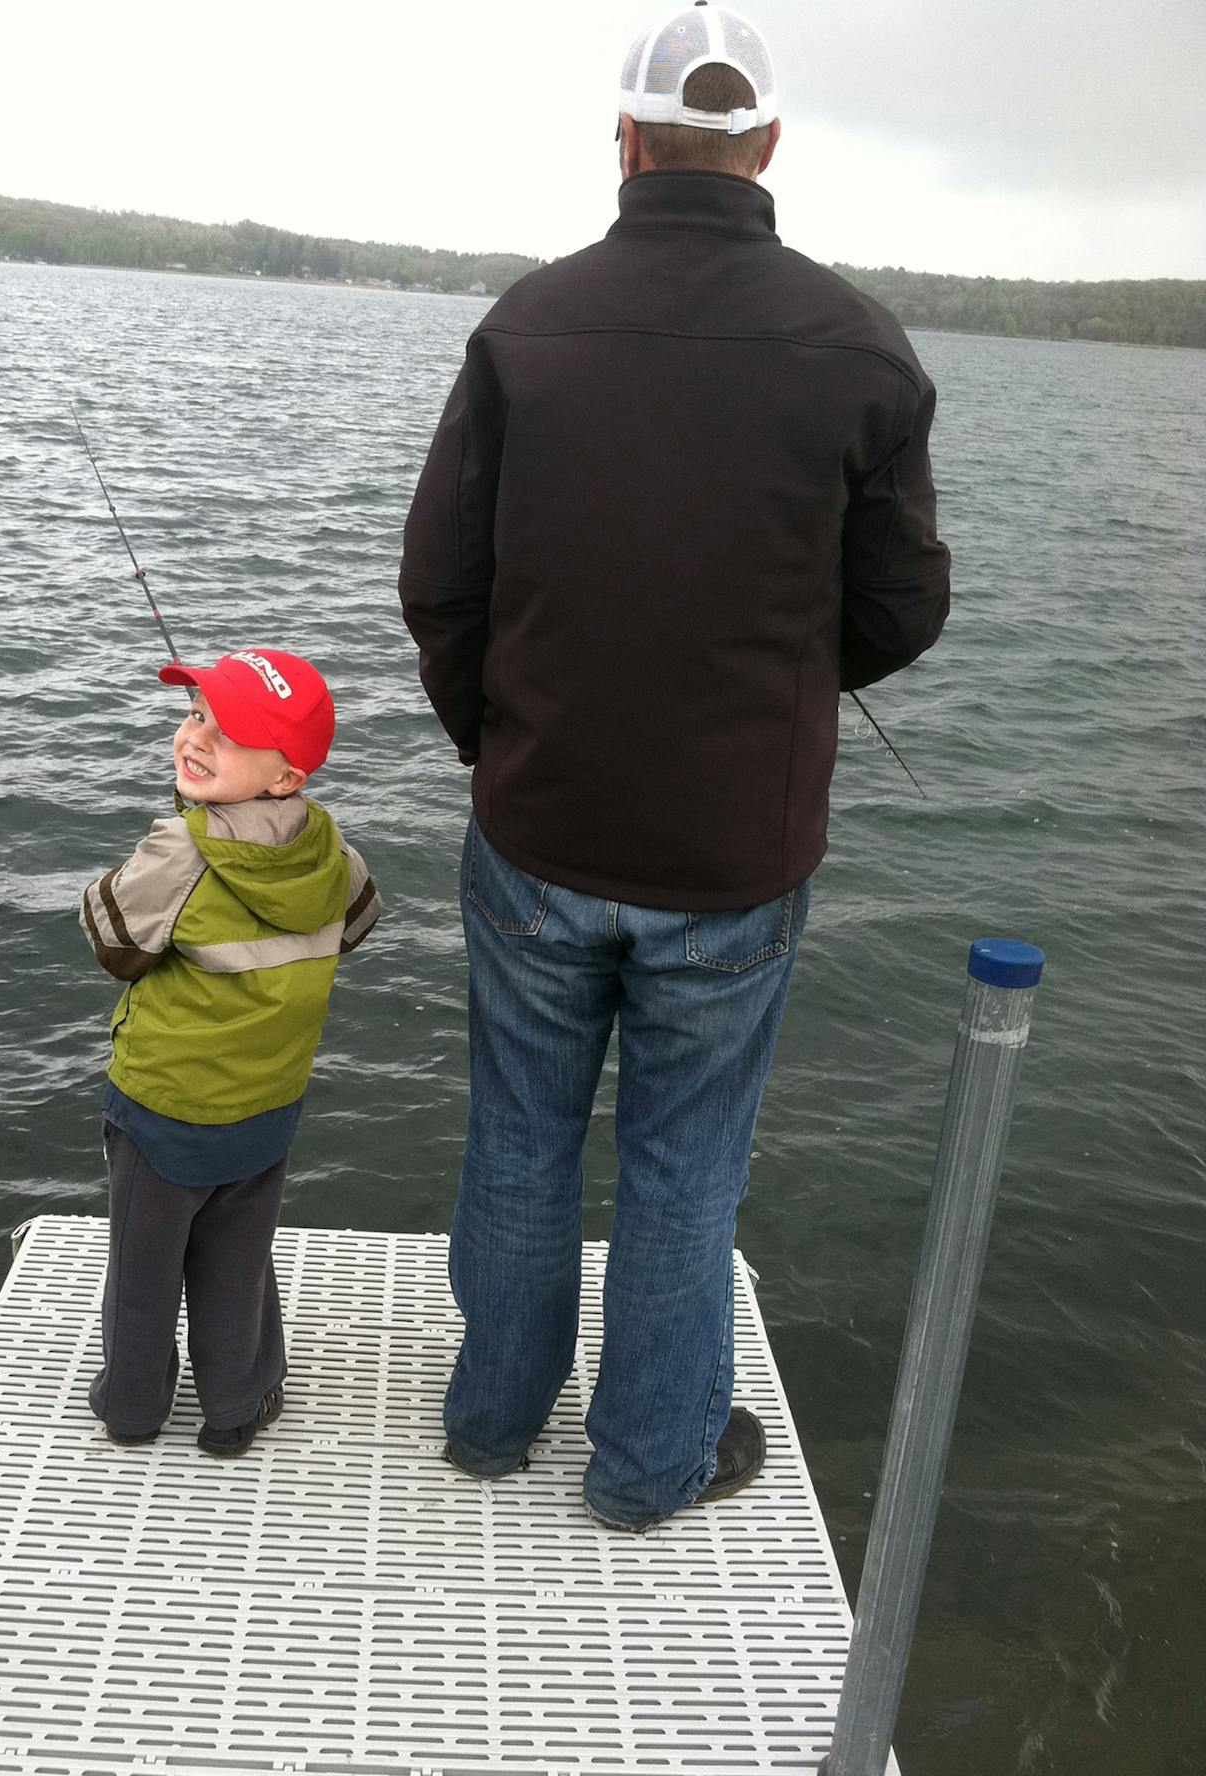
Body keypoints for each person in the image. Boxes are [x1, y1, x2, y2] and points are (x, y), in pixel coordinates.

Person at [399, 4, 949, 1530]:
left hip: (536, 833)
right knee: (683, 1168)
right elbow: (904, 610)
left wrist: (497, 742)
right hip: (734, 861)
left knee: (516, 1132)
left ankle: (495, 1423)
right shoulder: (863, 350)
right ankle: (648, 1466)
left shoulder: (526, 324)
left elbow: (438, 585)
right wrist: (775, 689)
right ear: (767, 147)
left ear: (624, 142)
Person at [79, 648, 380, 1456]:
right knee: (236, 1267)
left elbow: (110, 938)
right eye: (196, 714)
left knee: (143, 1276)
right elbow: (356, 920)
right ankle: (234, 1412)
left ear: (286, 774)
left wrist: (173, 848)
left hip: (163, 1110)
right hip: (267, 1113)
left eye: (229, 731)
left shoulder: (180, 849)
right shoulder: (329, 849)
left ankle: (134, 1409)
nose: (195, 737)